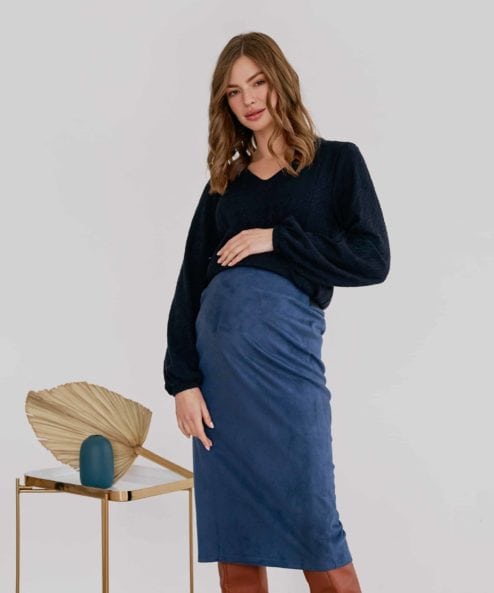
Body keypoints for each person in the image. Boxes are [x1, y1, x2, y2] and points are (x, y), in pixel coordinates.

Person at [163, 31, 390, 593]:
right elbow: (189, 284)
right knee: (236, 545)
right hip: (220, 389)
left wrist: (277, 238)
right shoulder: (225, 184)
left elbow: (372, 259)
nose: (248, 99)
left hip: (288, 375)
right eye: (234, 91)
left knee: (317, 532)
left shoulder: (337, 163)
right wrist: (182, 381)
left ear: (280, 81)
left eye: (257, 82)